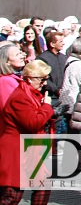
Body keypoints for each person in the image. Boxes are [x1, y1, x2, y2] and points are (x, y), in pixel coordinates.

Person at [0, 60, 55, 205]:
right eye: (42, 79)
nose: (44, 83)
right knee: (12, 195)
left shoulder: (32, 93)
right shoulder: (20, 97)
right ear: (30, 78)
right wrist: (47, 107)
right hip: (16, 150)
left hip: (29, 150)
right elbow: (33, 123)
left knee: (43, 185)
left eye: (46, 79)